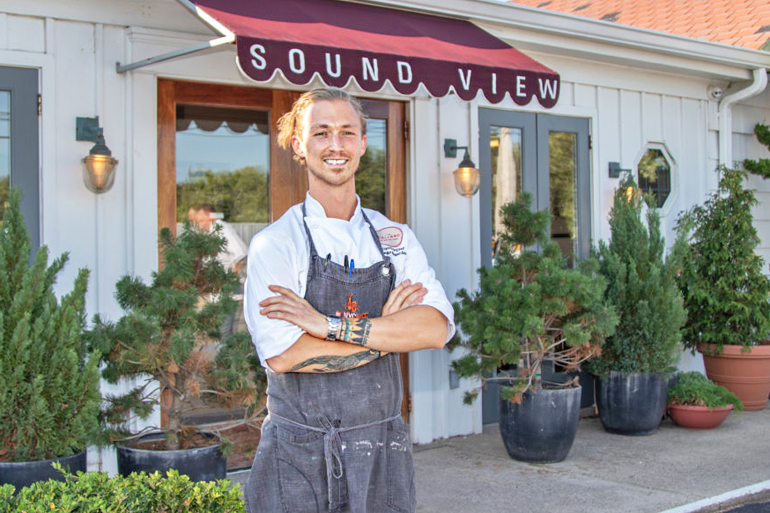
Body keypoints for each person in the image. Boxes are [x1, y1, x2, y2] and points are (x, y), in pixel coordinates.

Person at [243, 87, 455, 513]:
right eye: (321, 133)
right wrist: (387, 335)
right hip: (299, 454)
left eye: (346, 132)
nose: (335, 145)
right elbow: (285, 355)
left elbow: (434, 329)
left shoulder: (394, 239)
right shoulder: (277, 245)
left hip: (382, 450)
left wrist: (326, 325)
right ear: (299, 145)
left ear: (362, 143)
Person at [194, 203, 248, 274]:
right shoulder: (210, 232)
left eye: (201, 221)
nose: (200, 226)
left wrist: (232, 277)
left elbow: (241, 253)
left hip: (228, 280)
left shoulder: (222, 229)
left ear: (209, 216)